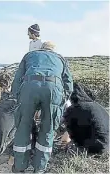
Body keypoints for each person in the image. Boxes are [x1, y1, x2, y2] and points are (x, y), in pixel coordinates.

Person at [10, 43, 73, 173]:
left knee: (23, 127)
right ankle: (39, 168)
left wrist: (17, 98)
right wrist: (60, 101)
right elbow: (69, 84)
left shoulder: (30, 55)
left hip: (29, 87)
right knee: (48, 130)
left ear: (42, 48)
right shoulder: (60, 59)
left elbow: (17, 79)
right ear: (53, 51)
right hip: (53, 88)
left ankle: (20, 167)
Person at [61, 82, 109, 154]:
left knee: (66, 147)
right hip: (107, 146)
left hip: (96, 148)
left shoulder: (74, 109)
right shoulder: (96, 105)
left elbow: (72, 136)